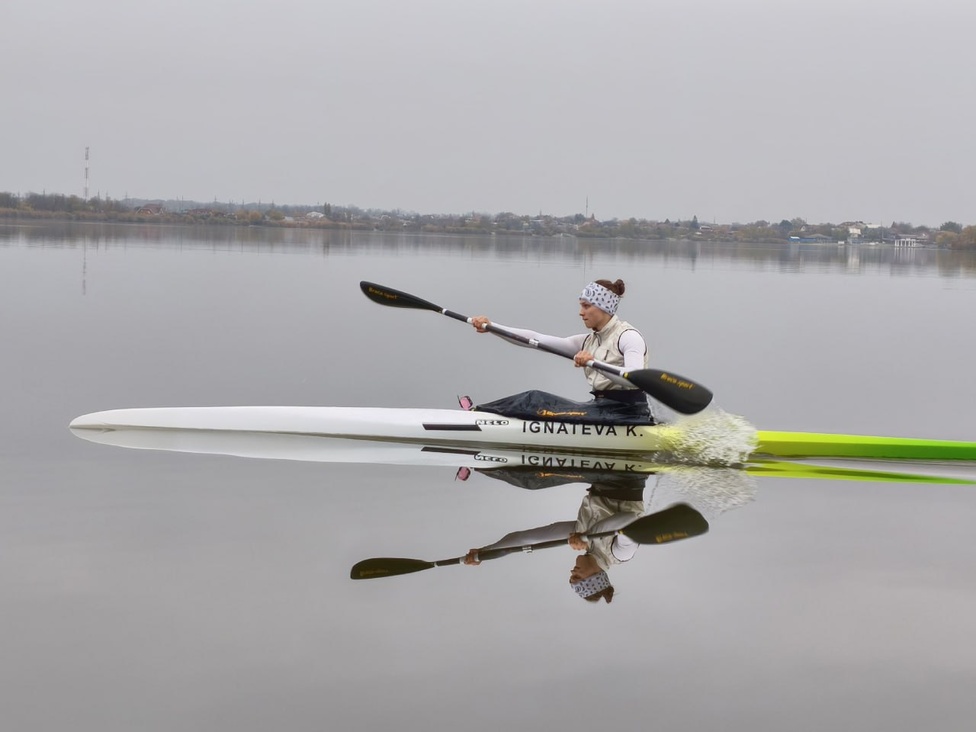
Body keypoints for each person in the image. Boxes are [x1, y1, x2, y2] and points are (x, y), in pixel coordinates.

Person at [466, 278, 654, 424]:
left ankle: (477, 416)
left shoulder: (628, 337)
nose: (581, 312)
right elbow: (535, 340)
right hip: (601, 407)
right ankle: (482, 413)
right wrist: (491, 327)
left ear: (604, 308)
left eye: (586, 306)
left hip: (628, 414)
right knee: (534, 399)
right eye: (581, 305)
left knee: (535, 399)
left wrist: (594, 364)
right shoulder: (588, 341)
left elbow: (633, 379)